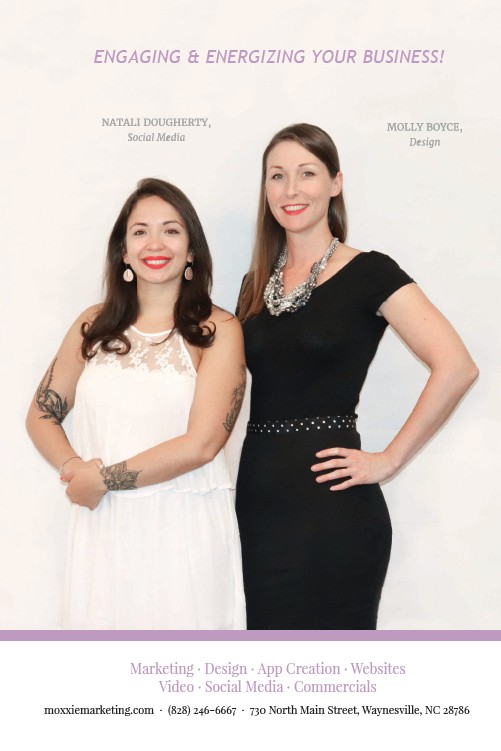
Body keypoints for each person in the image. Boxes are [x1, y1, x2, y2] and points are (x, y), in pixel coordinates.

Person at [236, 123, 478, 630]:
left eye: (307, 173)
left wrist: (389, 460)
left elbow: (456, 365)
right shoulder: (253, 285)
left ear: (335, 183)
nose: (291, 189)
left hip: (334, 510)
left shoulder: (370, 272)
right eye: (277, 176)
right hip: (258, 502)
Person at [26, 178, 246, 630]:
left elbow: (203, 444)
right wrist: (75, 468)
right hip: (104, 524)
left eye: (171, 230)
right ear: (123, 252)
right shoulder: (92, 325)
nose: (155, 243)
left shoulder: (218, 329)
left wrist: (102, 479)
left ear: (191, 251)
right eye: (140, 231)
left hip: (183, 529)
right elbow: (41, 415)